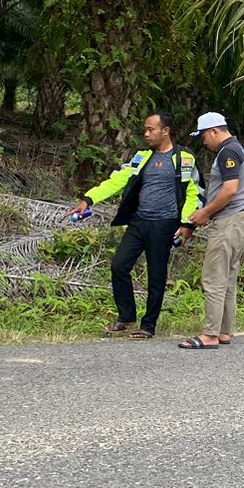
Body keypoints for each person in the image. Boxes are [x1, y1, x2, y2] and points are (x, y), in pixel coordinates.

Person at [71, 111, 200, 340]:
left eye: (151, 129)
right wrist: (88, 199)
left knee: (156, 275)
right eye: (145, 129)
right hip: (139, 221)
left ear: (165, 131)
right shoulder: (141, 157)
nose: (146, 133)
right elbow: (117, 180)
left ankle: (148, 326)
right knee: (119, 265)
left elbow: (194, 193)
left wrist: (187, 224)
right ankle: (127, 317)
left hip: (164, 224)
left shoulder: (183, 158)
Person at [178, 112, 244, 350]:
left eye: (203, 135)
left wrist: (205, 213)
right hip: (241, 219)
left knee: (214, 278)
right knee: (228, 277)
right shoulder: (235, 149)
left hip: (230, 220)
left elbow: (230, 189)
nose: (203, 141)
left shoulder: (227, 152)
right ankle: (223, 331)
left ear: (214, 131)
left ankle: (210, 335)